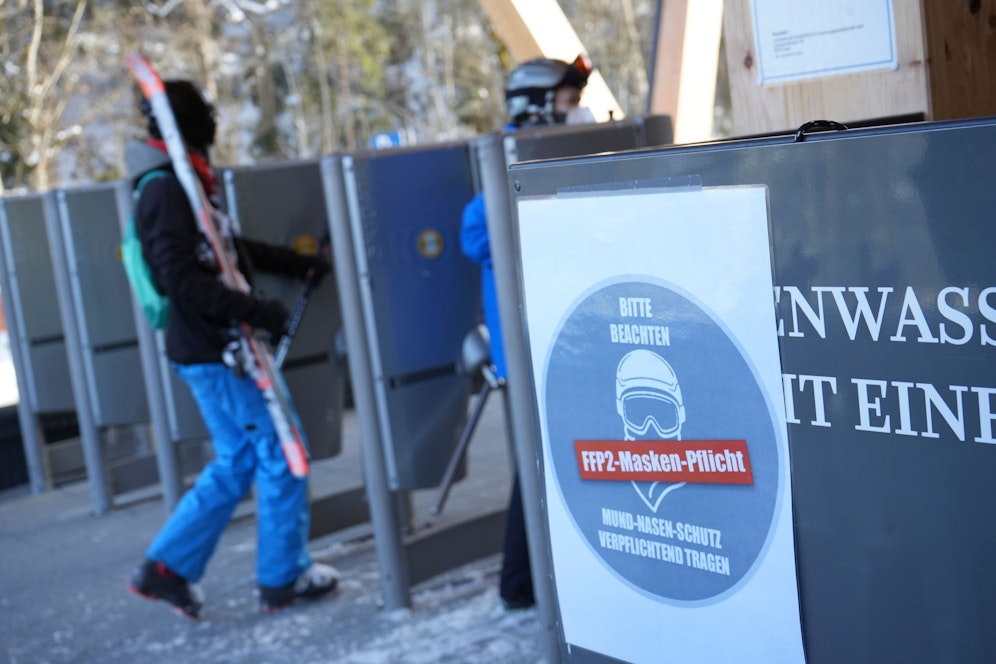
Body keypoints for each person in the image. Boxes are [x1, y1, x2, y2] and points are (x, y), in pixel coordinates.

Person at [124, 79, 337, 619]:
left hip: (207, 348)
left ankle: (166, 568)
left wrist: (292, 263)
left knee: (240, 457)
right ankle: (282, 577)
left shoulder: (183, 182)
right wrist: (251, 312)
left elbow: (222, 252)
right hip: (220, 351)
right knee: (284, 455)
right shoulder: (166, 189)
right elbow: (180, 278)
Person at [460, 55, 593, 611]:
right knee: (536, 466)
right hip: (530, 349)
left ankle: (532, 580)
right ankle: (520, 585)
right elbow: (475, 233)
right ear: (537, 106)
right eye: (567, 100)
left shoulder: (556, 152)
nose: (578, 111)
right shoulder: (509, 159)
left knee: (551, 461)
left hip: (566, 342)